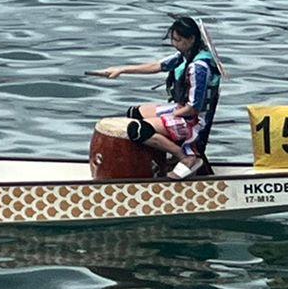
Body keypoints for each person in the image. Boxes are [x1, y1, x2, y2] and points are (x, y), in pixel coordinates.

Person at [92, 14, 223, 178]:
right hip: (182, 109)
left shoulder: (199, 67)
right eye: (173, 40)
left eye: (178, 40)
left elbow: (194, 108)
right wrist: (121, 69)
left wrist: (173, 114)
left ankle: (185, 157)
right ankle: (155, 159)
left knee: (138, 130)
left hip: (194, 121)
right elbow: (157, 66)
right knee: (135, 113)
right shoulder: (185, 55)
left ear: (191, 39)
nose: (174, 44)